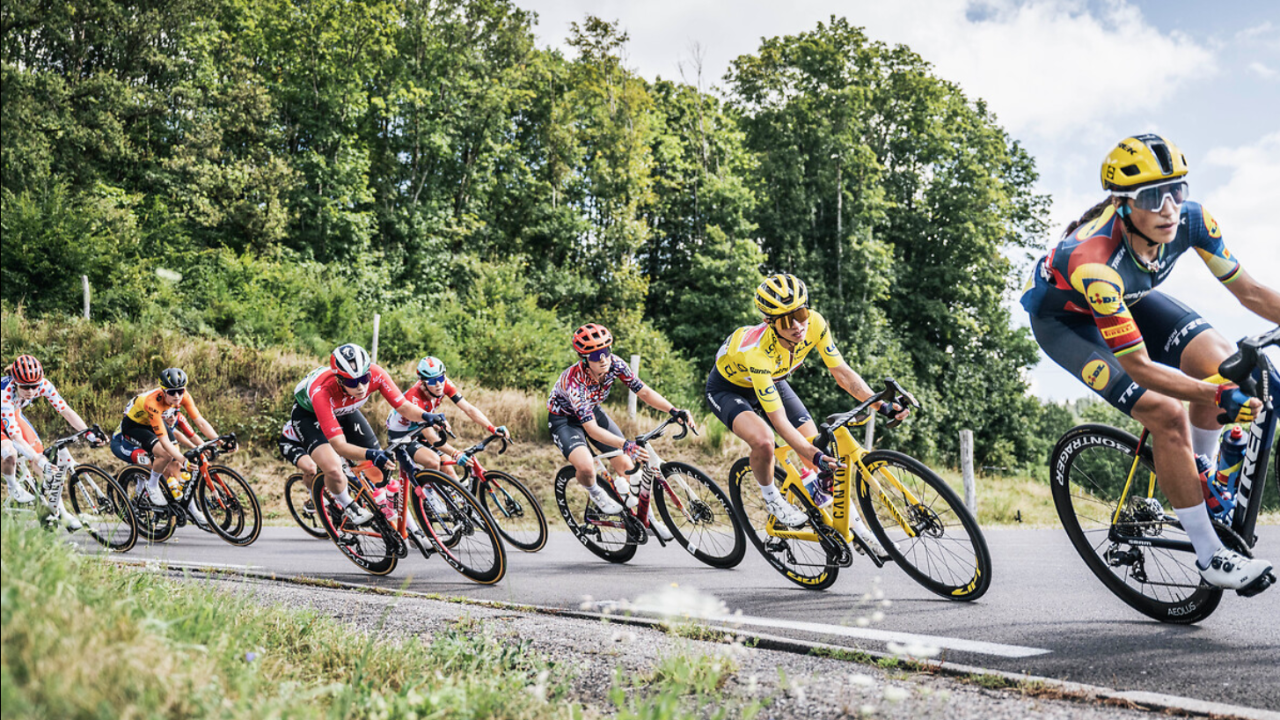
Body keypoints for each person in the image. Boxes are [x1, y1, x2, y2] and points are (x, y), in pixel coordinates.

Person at [1020, 134, 1279, 593]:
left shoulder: (1193, 219)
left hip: (1130, 299)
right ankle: (1209, 554)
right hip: (1068, 325)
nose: (1168, 208)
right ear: (1122, 205)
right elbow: (1139, 368)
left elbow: (1252, 293)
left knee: (1219, 361)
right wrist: (1214, 395)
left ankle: (1204, 475)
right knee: (1166, 411)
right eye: (1151, 196)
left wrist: (1215, 384)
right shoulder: (1093, 261)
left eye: (1176, 190)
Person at [705, 274, 906, 557]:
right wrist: (813, 455)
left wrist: (880, 405)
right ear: (770, 322)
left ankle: (860, 532)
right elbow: (780, 423)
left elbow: (842, 373)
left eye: (801, 313)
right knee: (765, 441)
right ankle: (772, 498)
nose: (798, 325)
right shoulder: (758, 354)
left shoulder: (816, 323)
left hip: (773, 380)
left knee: (814, 448)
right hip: (729, 388)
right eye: (787, 320)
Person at [547, 324, 693, 542]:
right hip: (565, 420)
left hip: (592, 411)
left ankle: (650, 520)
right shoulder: (575, 382)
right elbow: (592, 430)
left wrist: (673, 410)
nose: (603, 358)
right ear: (584, 358)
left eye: (606, 351)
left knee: (629, 468)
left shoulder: (615, 364)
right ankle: (597, 494)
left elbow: (643, 391)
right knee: (586, 466)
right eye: (596, 355)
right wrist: (625, 444)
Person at [291, 343, 448, 527]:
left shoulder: (376, 373)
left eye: (364, 378)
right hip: (309, 417)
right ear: (340, 380)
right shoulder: (322, 391)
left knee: (379, 472)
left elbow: (404, 407)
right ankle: (347, 504)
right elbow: (339, 445)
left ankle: (412, 530)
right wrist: (371, 454)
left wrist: (427, 416)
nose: (360, 386)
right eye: (351, 382)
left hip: (345, 410)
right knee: (334, 469)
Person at [116, 368, 231, 530]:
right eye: (172, 392)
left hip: (153, 422)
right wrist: (183, 459)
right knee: (165, 455)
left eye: (180, 391)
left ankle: (191, 508)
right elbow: (164, 441)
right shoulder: (153, 402)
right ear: (163, 392)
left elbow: (201, 422)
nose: (177, 396)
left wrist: (220, 441)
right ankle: (153, 484)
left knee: (176, 464)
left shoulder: (184, 397)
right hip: (134, 425)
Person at [2, 354, 105, 529]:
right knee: (9, 452)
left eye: (34, 386)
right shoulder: (5, 394)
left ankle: (61, 513)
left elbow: (65, 411)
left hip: (14, 414)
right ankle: (13, 488)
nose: (31, 391)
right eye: (25, 387)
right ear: (15, 382)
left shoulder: (43, 384)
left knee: (43, 461)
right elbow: (16, 437)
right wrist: (38, 459)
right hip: (5, 416)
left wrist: (87, 433)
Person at [386, 356, 512, 478]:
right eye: (431, 381)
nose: (438, 384)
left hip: (419, 431)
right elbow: (430, 436)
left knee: (449, 472)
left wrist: (492, 428)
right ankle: (428, 496)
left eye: (440, 378)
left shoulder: (444, 384)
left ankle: (458, 499)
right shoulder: (415, 398)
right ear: (423, 383)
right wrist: (455, 453)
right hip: (402, 436)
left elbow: (468, 409)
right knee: (433, 462)